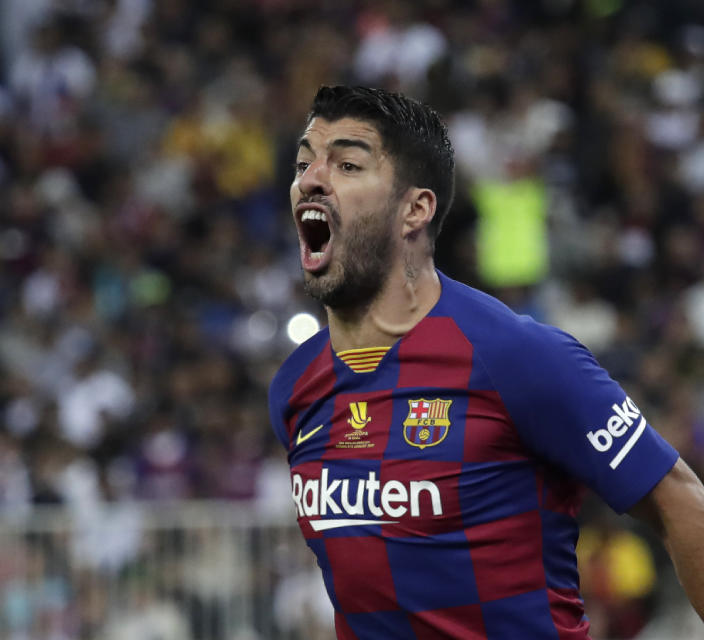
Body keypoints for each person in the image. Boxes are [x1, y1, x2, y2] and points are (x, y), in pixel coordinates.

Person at [268, 85, 704, 639]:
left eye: (348, 164)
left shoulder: (516, 357)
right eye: (304, 163)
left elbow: (679, 502)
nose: (311, 178)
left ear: (415, 209)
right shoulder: (295, 388)